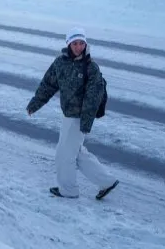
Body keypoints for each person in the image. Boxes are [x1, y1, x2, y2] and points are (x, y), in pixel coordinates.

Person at [27, 27, 119, 200]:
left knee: (64, 155)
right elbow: (48, 85)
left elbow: (93, 97)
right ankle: (106, 181)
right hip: (68, 115)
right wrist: (35, 104)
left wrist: (86, 121)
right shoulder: (60, 63)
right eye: (75, 43)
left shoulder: (90, 67)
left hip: (79, 118)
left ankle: (68, 190)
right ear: (68, 44)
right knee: (77, 153)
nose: (79, 47)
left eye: (82, 43)